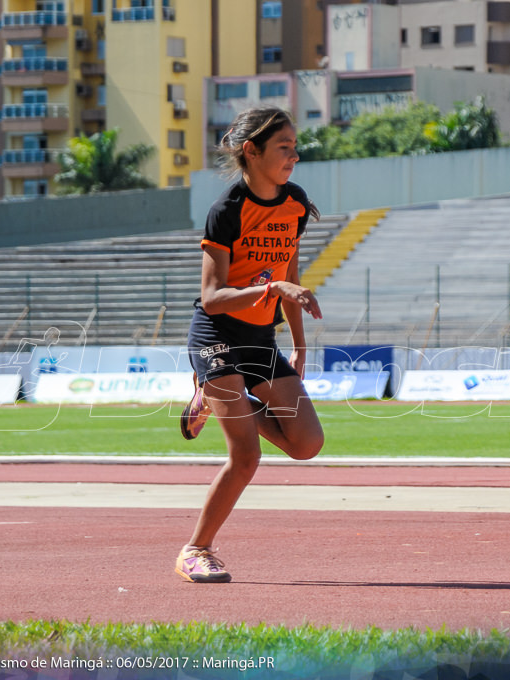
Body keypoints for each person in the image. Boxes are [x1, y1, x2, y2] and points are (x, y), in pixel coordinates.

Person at [176, 107, 325, 583]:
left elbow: (291, 273)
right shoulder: (227, 211)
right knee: (246, 456)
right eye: (284, 148)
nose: (294, 156)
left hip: (261, 338)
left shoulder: (295, 204)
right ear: (251, 151)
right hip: (217, 336)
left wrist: (299, 343)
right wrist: (273, 290)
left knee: (306, 444)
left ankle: (217, 396)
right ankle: (196, 550)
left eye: (295, 147)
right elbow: (213, 298)